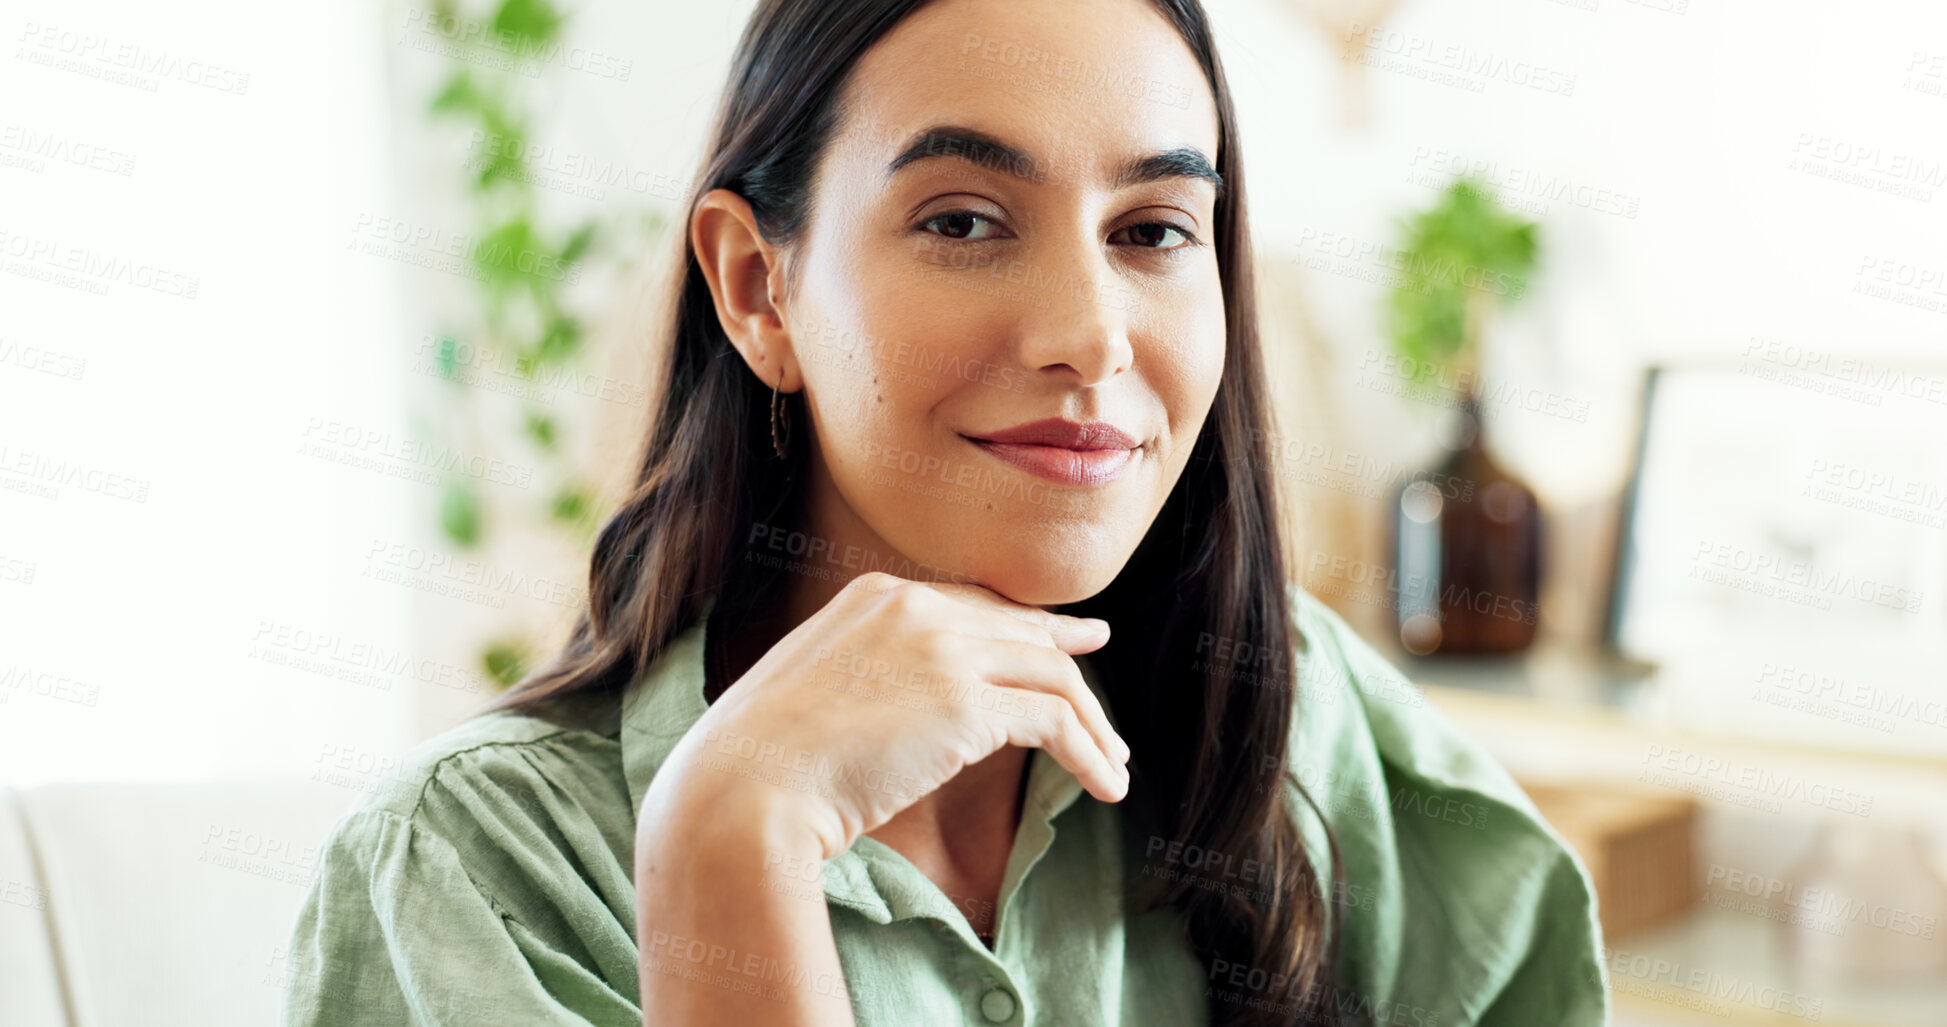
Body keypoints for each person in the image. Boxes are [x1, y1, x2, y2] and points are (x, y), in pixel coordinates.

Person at [284, 0, 1609, 1023]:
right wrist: (730, 834)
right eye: (967, 220)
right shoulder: (470, 874)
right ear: (756, 289)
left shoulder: (1296, 716)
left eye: (1153, 230)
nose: (1092, 336)